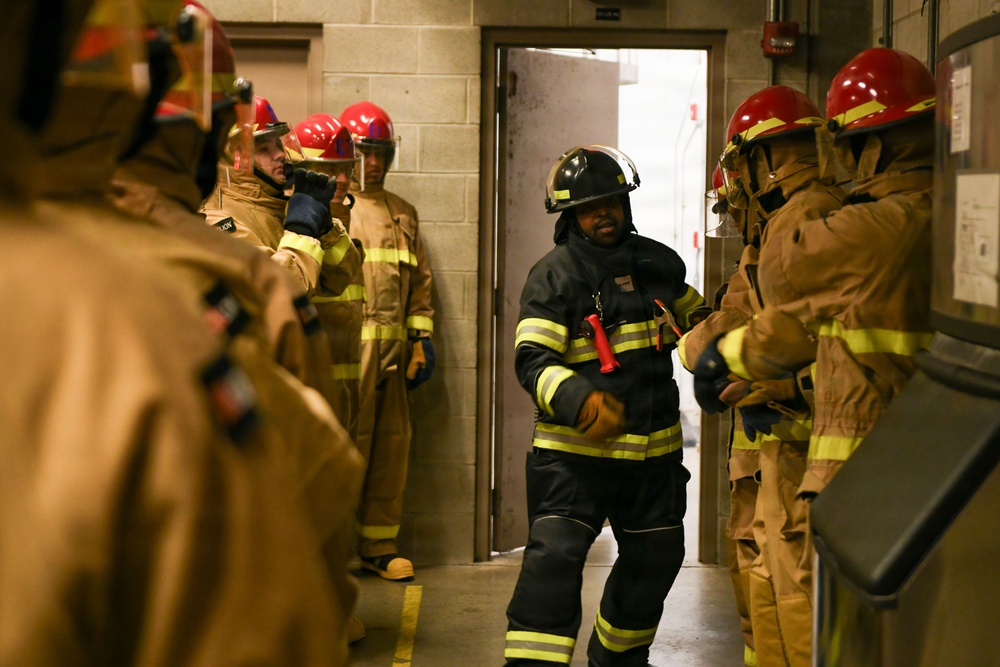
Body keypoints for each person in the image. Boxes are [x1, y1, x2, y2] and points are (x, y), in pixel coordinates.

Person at [0, 0, 347, 663]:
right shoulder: (145, 325)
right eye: (257, 142)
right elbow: (287, 599)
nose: (269, 156)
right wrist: (303, 237)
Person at [101, 1, 366, 654]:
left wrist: (318, 223)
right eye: (264, 142)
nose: (278, 154)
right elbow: (315, 492)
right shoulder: (217, 237)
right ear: (214, 135)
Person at [692, 51, 935, 665]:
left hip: (842, 464)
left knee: (815, 615)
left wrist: (722, 350)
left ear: (868, 147)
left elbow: (794, 294)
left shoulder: (858, 226)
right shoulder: (944, 215)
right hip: (899, 466)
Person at [503, 145, 711, 666]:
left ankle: (617, 660)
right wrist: (578, 399)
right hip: (573, 461)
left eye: (612, 201)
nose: (604, 213)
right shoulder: (553, 277)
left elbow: (702, 324)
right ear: (570, 216)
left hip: (653, 463)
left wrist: (721, 355)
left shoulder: (658, 266)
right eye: (591, 206)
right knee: (553, 566)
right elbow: (531, 359)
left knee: (656, 559)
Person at [340, 100, 435, 581]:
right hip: (350, 358)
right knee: (344, 448)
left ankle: (379, 544)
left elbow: (420, 286)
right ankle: (333, 550)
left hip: (396, 358)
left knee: (391, 447)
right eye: (364, 152)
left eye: (381, 153)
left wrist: (421, 341)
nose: (373, 163)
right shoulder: (336, 208)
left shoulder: (404, 214)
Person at [201, 95, 360, 300]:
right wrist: (301, 231)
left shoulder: (277, 205)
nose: (280, 155)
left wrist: (326, 229)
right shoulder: (219, 219)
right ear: (233, 160)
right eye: (263, 149)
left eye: (278, 145)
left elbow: (338, 281)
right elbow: (279, 291)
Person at [293, 112, 367, 444]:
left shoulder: (348, 221)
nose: (343, 179)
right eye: (332, 170)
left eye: (348, 169)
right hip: (312, 385)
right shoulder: (293, 223)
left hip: (350, 378)